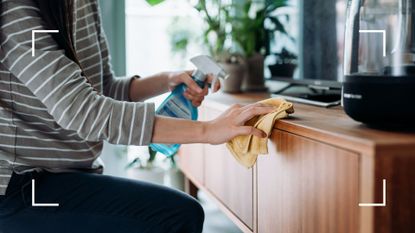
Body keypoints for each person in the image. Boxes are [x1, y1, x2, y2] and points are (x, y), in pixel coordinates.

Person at [0, 0, 274, 232]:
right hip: (24, 189)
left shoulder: (82, 4)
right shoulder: (19, 13)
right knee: (177, 215)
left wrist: (166, 80)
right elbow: (81, 110)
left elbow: (101, 87)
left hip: (65, 177)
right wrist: (207, 131)